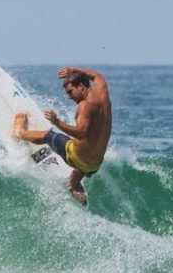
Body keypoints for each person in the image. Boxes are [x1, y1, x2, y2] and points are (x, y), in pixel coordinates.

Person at [13, 66, 112, 205]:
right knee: (83, 164)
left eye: (71, 92)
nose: (69, 97)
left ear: (82, 86)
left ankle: (19, 132)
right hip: (95, 165)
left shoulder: (85, 106)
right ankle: (75, 185)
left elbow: (81, 133)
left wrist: (57, 122)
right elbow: (97, 76)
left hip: (76, 157)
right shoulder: (103, 95)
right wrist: (73, 70)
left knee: (48, 135)